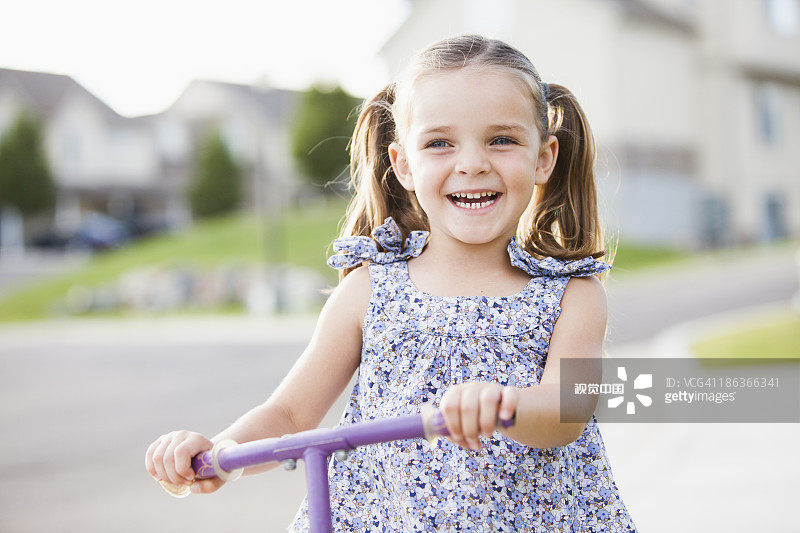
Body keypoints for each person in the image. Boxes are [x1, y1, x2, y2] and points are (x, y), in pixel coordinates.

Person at [146, 34, 636, 532]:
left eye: (502, 140)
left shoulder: (572, 295)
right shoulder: (368, 290)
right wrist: (221, 452)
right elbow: (290, 414)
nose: (472, 163)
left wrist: (506, 405)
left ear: (544, 158)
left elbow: (568, 410)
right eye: (439, 143)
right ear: (403, 164)